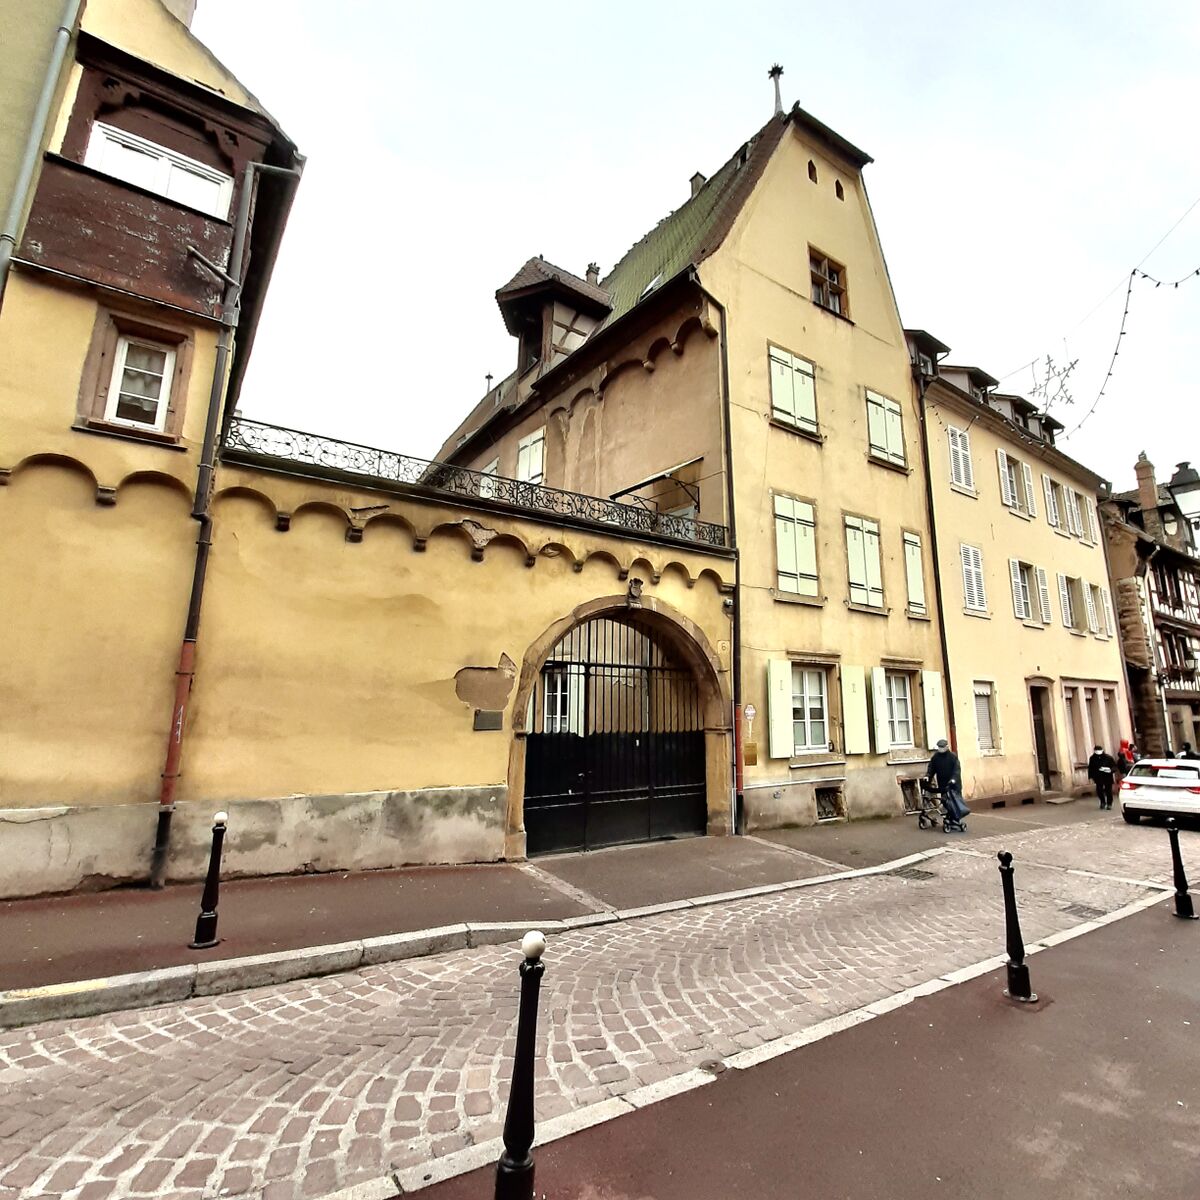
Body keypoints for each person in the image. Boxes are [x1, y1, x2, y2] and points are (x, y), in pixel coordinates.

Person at [926, 738, 968, 821]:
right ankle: (948, 818)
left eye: (942, 747)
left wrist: (953, 779)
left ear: (946, 747)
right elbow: (931, 768)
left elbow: (957, 769)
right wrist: (928, 775)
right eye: (939, 747)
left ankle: (956, 819)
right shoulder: (936, 757)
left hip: (954, 784)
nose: (940, 749)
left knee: (955, 802)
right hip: (942, 783)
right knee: (945, 801)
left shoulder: (952, 757)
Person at [1088, 744, 1117, 809]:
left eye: (1099, 750)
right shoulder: (1092, 758)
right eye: (1096, 750)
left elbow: (1114, 767)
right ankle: (1102, 802)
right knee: (1099, 790)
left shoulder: (1108, 757)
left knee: (1108, 791)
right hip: (1098, 777)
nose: (1098, 752)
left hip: (1107, 776)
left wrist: (1110, 770)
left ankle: (1109, 803)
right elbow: (1090, 768)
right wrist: (1091, 776)